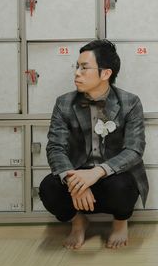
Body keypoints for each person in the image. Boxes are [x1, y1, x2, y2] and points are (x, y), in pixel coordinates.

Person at [39, 39, 148, 250]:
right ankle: (78, 222)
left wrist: (97, 172)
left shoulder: (130, 102)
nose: (77, 73)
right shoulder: (64, 103)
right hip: (78, 173)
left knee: (124, 186)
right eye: (77, 67)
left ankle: (120, 222)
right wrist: (73, 181)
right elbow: (55, 147)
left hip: (111, 176)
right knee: (48, 188)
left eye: (84, 67)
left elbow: (134, 149)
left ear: (105, 73)